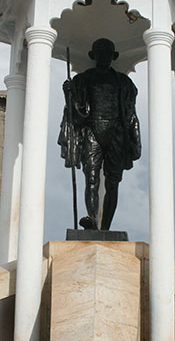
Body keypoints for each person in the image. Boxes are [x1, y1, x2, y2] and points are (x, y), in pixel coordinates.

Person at [58, 38, 141, 230]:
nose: (104, 56)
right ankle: (92, 218)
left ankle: (106, 228)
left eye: (107, 52)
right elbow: (76, 115)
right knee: (91, 178)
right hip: (91, 131)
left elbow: (129, 112)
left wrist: (133, 138)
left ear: (113, 56)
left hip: (116, 133)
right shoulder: (82, 80)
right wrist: (69, 95)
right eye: (100, 52)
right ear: (93, 55)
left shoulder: (124, 82)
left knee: (113, 182)